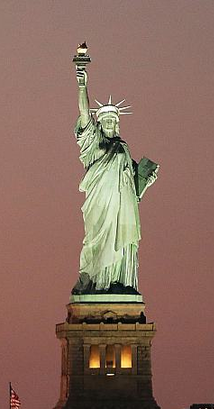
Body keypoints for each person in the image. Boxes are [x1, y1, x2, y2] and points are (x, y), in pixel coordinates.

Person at [72, 64, 158, 295]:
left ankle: (119, 280)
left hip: (123, 209)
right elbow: (83, 114)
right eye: (106, 121)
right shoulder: (93, 145)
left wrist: (145, 181)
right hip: (100, 206)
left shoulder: (123, 149)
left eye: (113, 121)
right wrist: (82, 85)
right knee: (97, 242)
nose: (110, 124)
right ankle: (99, 282)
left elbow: (132, 189)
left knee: (123, 241)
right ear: (99, 125)